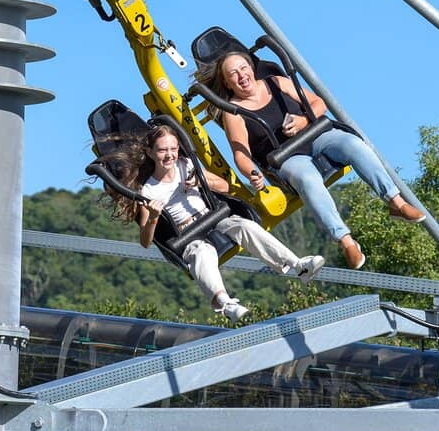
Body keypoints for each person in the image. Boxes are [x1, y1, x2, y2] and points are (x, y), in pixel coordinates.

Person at [197, 51, 425, 270]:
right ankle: (346, 241)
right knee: (307, 178)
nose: (241, 76)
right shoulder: (233, 112)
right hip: (287, 156)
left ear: (251, 68)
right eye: (233, 74)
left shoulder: (276, 82)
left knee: (353, 144)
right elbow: (241, 153)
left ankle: (396, 202)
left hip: (315, 135)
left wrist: (303, 120)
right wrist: (253, 174)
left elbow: (318, 103)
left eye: (243, 68)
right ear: (227, 83)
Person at [100, 124, 325, 323]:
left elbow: (225, 188)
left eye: (173, 149)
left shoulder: (186, 165)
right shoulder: (147, 191)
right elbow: (146, 241)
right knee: (201, 251)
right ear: (150, 153)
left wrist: (201, 180)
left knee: (243, 225)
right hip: (187, 233)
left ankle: (298, 266)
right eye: (162, 150)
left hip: (213, 217)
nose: (169, 155)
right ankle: (226, 304)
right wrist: (154, 216)